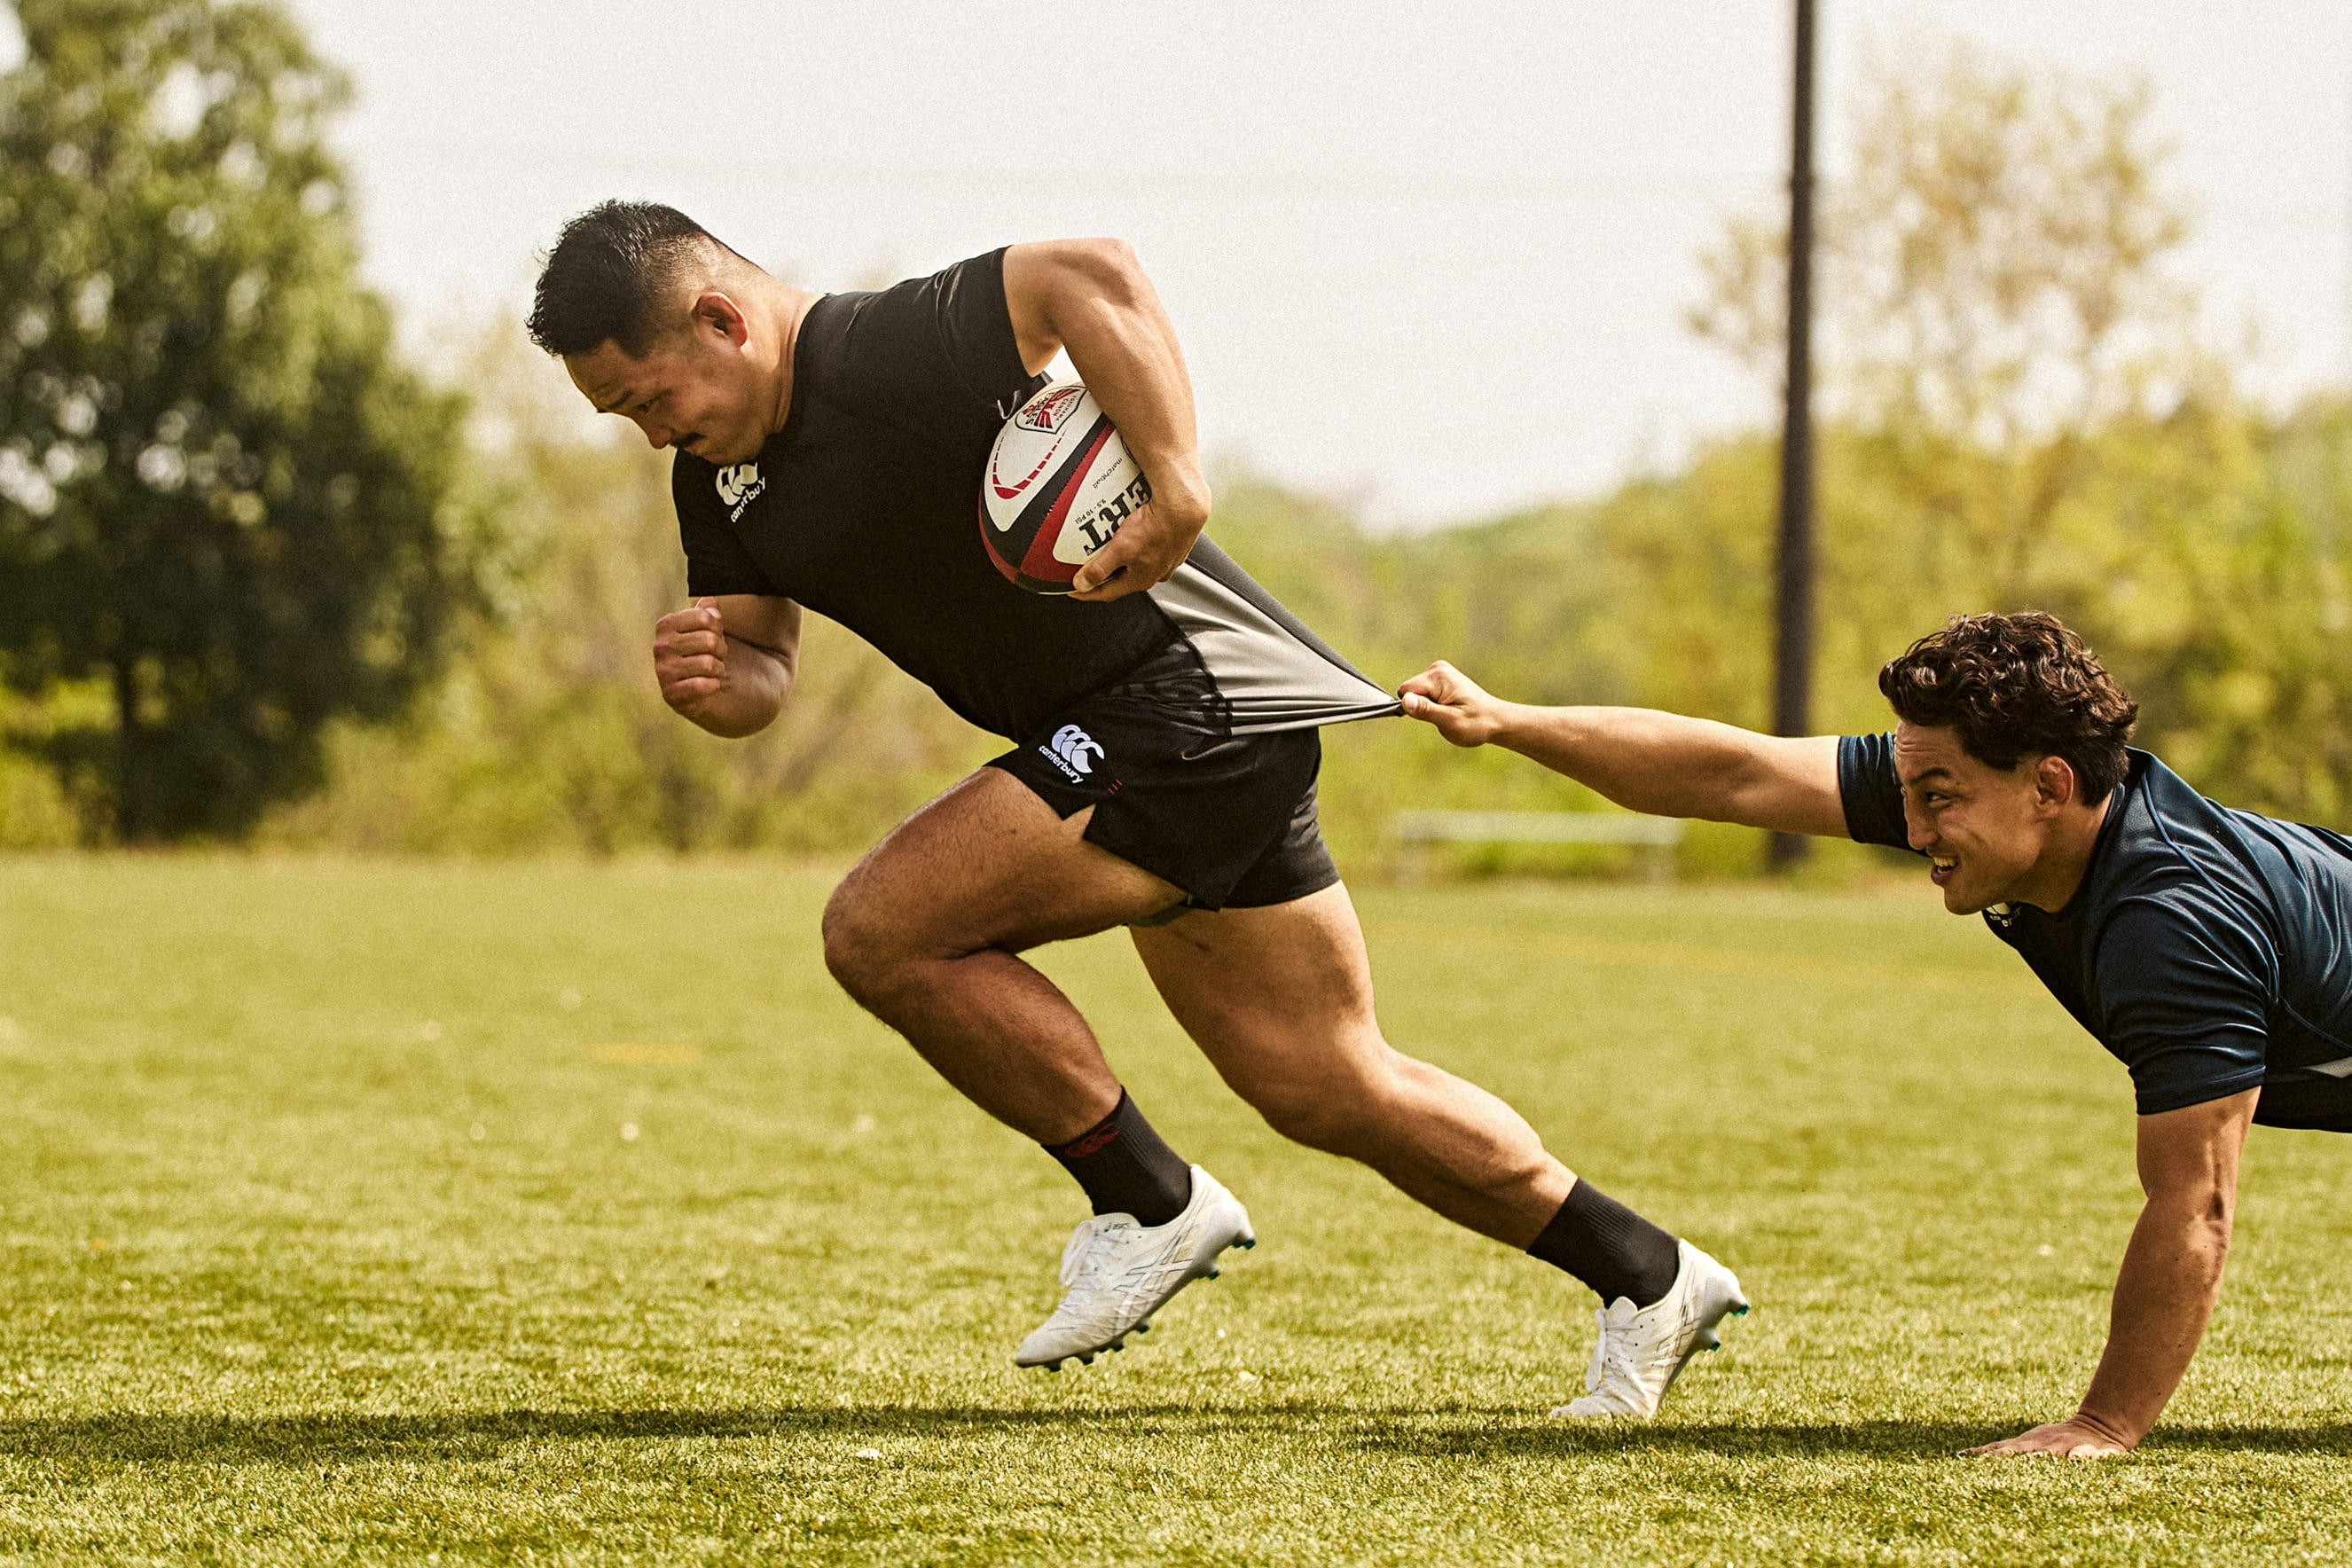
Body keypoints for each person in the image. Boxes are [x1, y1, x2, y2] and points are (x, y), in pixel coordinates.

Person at [523, 201, 1747, 1415]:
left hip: (1188, 703)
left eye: (646, 399)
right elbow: (760, 670)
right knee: (1327, 1083)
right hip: (1169, 742)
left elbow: (1088, 269)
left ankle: (1147, 1200)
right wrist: (716, 686)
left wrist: (1176, 483)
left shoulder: (886, 345)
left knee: (883, 929)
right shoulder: (718, 480)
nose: (648, 435)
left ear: (723, 320)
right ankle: (1648, 1276)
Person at [1401, 609, 2352, 1454]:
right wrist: (1508, 721)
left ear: (2050, 785)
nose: (1912, 825)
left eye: (1937, 798)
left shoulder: (2171, 921)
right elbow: (1734, 773)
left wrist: (2104, 1425)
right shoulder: (1985, 793)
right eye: (1910, 791)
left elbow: (2196, 1205)